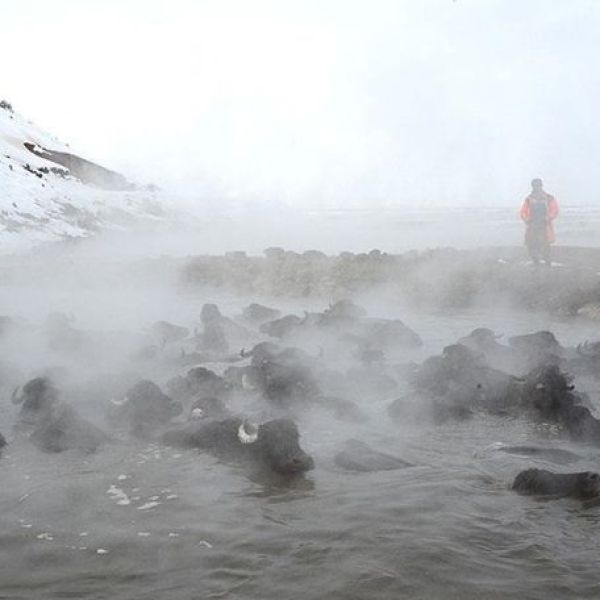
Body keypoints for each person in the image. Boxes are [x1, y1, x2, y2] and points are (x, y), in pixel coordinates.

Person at [519, 178, 559, 266]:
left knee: (545, 244)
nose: (536, 188)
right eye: (534, 186)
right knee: (531, 244)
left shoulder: (549, 198)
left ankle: (547, 261)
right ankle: (535, 261)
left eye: (538, 185)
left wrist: (548, 218)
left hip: (544, 225)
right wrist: (527, 219)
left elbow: (555, 210)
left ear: (541, 186)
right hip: (532, 224)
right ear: (532, 186)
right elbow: (523, 212)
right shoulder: (529, 199)